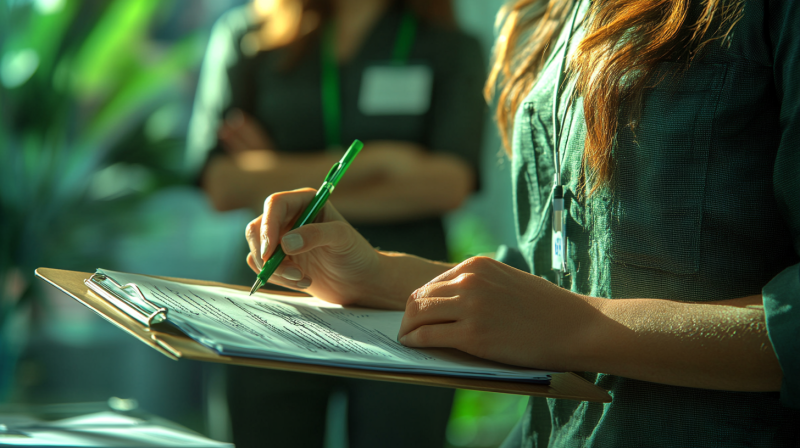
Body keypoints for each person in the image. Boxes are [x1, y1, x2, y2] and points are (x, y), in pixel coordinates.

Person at [243, 0, 800, 446]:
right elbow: (562, 278)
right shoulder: (553, 13)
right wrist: (376, 276)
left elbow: (567, 311)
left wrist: (580, 326)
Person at [186, 0, 485, 446]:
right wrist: (381, 162)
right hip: (276, 289)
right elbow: (221, 184)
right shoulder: (248, 36)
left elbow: (448, 184)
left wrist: (271, 168)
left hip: (405, 298)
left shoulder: (449, 46)